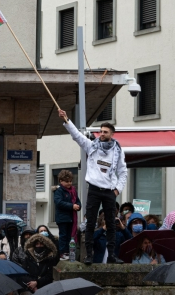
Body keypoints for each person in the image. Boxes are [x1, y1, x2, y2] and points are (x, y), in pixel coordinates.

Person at [59, 109, 128, 265]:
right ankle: (89, 255)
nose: (101, 134)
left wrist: (118, 189)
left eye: (105, 132)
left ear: (112, 134)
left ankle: (111, 255)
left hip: (110, 191)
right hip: (94, 190)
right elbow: (77, 136)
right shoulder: (92, 146)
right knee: (90, 222)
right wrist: (66, 120)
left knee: (111, 224)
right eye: (100, 131)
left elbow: (123, 172)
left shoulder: (117, 151)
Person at [53, 169, 81, 261]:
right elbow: (59, 203)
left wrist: (78, 206)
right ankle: (62, 253)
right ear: (61, 181)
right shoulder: (59, 191)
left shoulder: (73, 191)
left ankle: (68, 252)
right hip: (62, 218)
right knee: (63, 236)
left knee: (70, 236)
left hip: (71, 218)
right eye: (67, 181)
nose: (69, 183)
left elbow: (77, 201)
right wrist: (72, 206)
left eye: (70, 181)